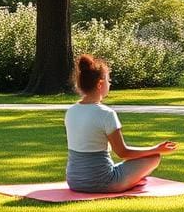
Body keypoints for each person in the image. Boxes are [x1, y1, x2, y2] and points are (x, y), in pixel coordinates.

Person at [65, 54, 177, 193]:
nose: (110, 83)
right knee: (154, 157)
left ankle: (132, 180)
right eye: (108, 80)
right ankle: (132, 181)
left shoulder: (71, 111)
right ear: (100, 84)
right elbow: (123, 152)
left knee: (120, 165)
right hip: (104, 182)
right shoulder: (106, 114)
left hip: (74, 181)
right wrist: (156, 149)